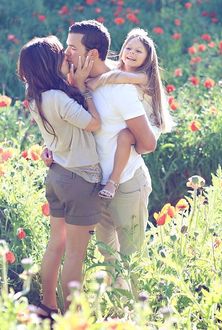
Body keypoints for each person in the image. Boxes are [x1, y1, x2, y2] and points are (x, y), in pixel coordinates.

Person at [42, 20, 157, 290]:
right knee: (108, 256)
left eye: (71, 47)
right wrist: (51, 147)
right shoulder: (76, 83)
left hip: (126, 184)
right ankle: (120, 312)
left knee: (132, 259)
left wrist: (127, 145)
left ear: (91, 54)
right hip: (94, 185)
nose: (65, 52)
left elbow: (149, 143)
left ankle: (140, 315)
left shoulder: (120, 91)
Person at [17, 35, 102, 316]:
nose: (67, 58)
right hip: (80, 179)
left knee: (56, 245)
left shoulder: (36, 98)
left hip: (57, 176)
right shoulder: (59, 99)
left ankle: (48, 306)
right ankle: (73, 317)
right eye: (61, 56)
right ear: (49, 64)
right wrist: (84, 91)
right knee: (75, 254)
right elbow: (94, 124)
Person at [86, 28, 175, 199]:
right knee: (123, 137)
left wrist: (96, 81)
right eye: (128, 48)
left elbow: (116, 77)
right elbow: (113, 71)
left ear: (147, 58)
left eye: (138, 51)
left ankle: (113, 182)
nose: (132, 53)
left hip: (147, 127)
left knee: (125, 137)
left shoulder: (144, 77)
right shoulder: (116, 68)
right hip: (132, 123)